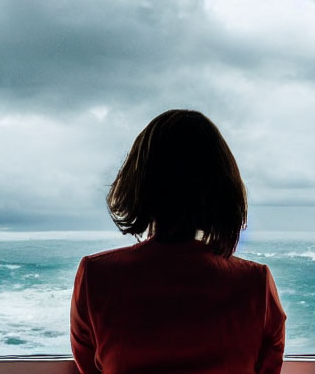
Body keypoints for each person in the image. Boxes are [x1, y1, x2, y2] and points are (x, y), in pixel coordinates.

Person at [70, 109, 286, 374]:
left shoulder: (96, 278)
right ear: (222, 190)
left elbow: (90, 366)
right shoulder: (256, 286)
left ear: (138, 184)